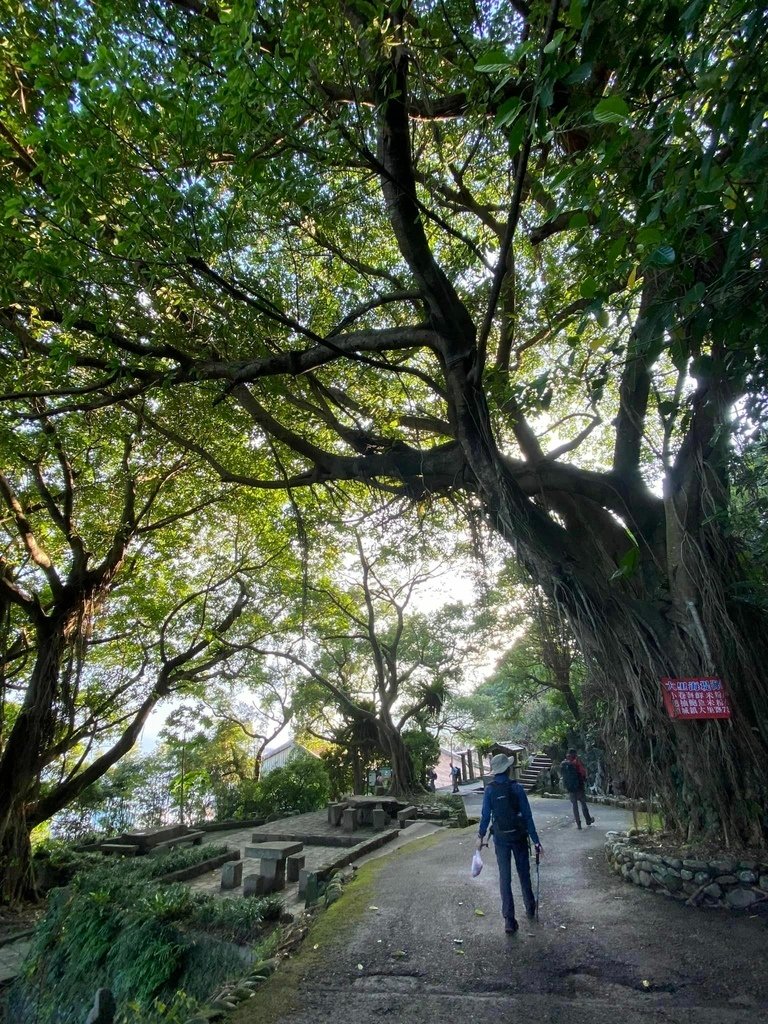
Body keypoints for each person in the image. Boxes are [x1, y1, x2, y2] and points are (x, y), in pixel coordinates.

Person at [475, 753, 543, 934]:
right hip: (519, 837)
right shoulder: (517, 788)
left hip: (501, 839)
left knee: (504, 877)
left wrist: (481, 836)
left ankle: (509, 920)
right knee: (524, 874)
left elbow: (485, 815)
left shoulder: (490, 790)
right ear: (508, 768)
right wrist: (536, 842)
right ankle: (530, 907)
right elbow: (527, 816)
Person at [560, 747, 594, 829]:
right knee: (583, 803)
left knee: (574, 806)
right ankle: (588, 820)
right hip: (579, 786)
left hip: (570, 788)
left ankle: (578, 824)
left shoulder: (564, 763)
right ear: (574, 754)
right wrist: (585, 779)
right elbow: (582, 772)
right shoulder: (576, 761)